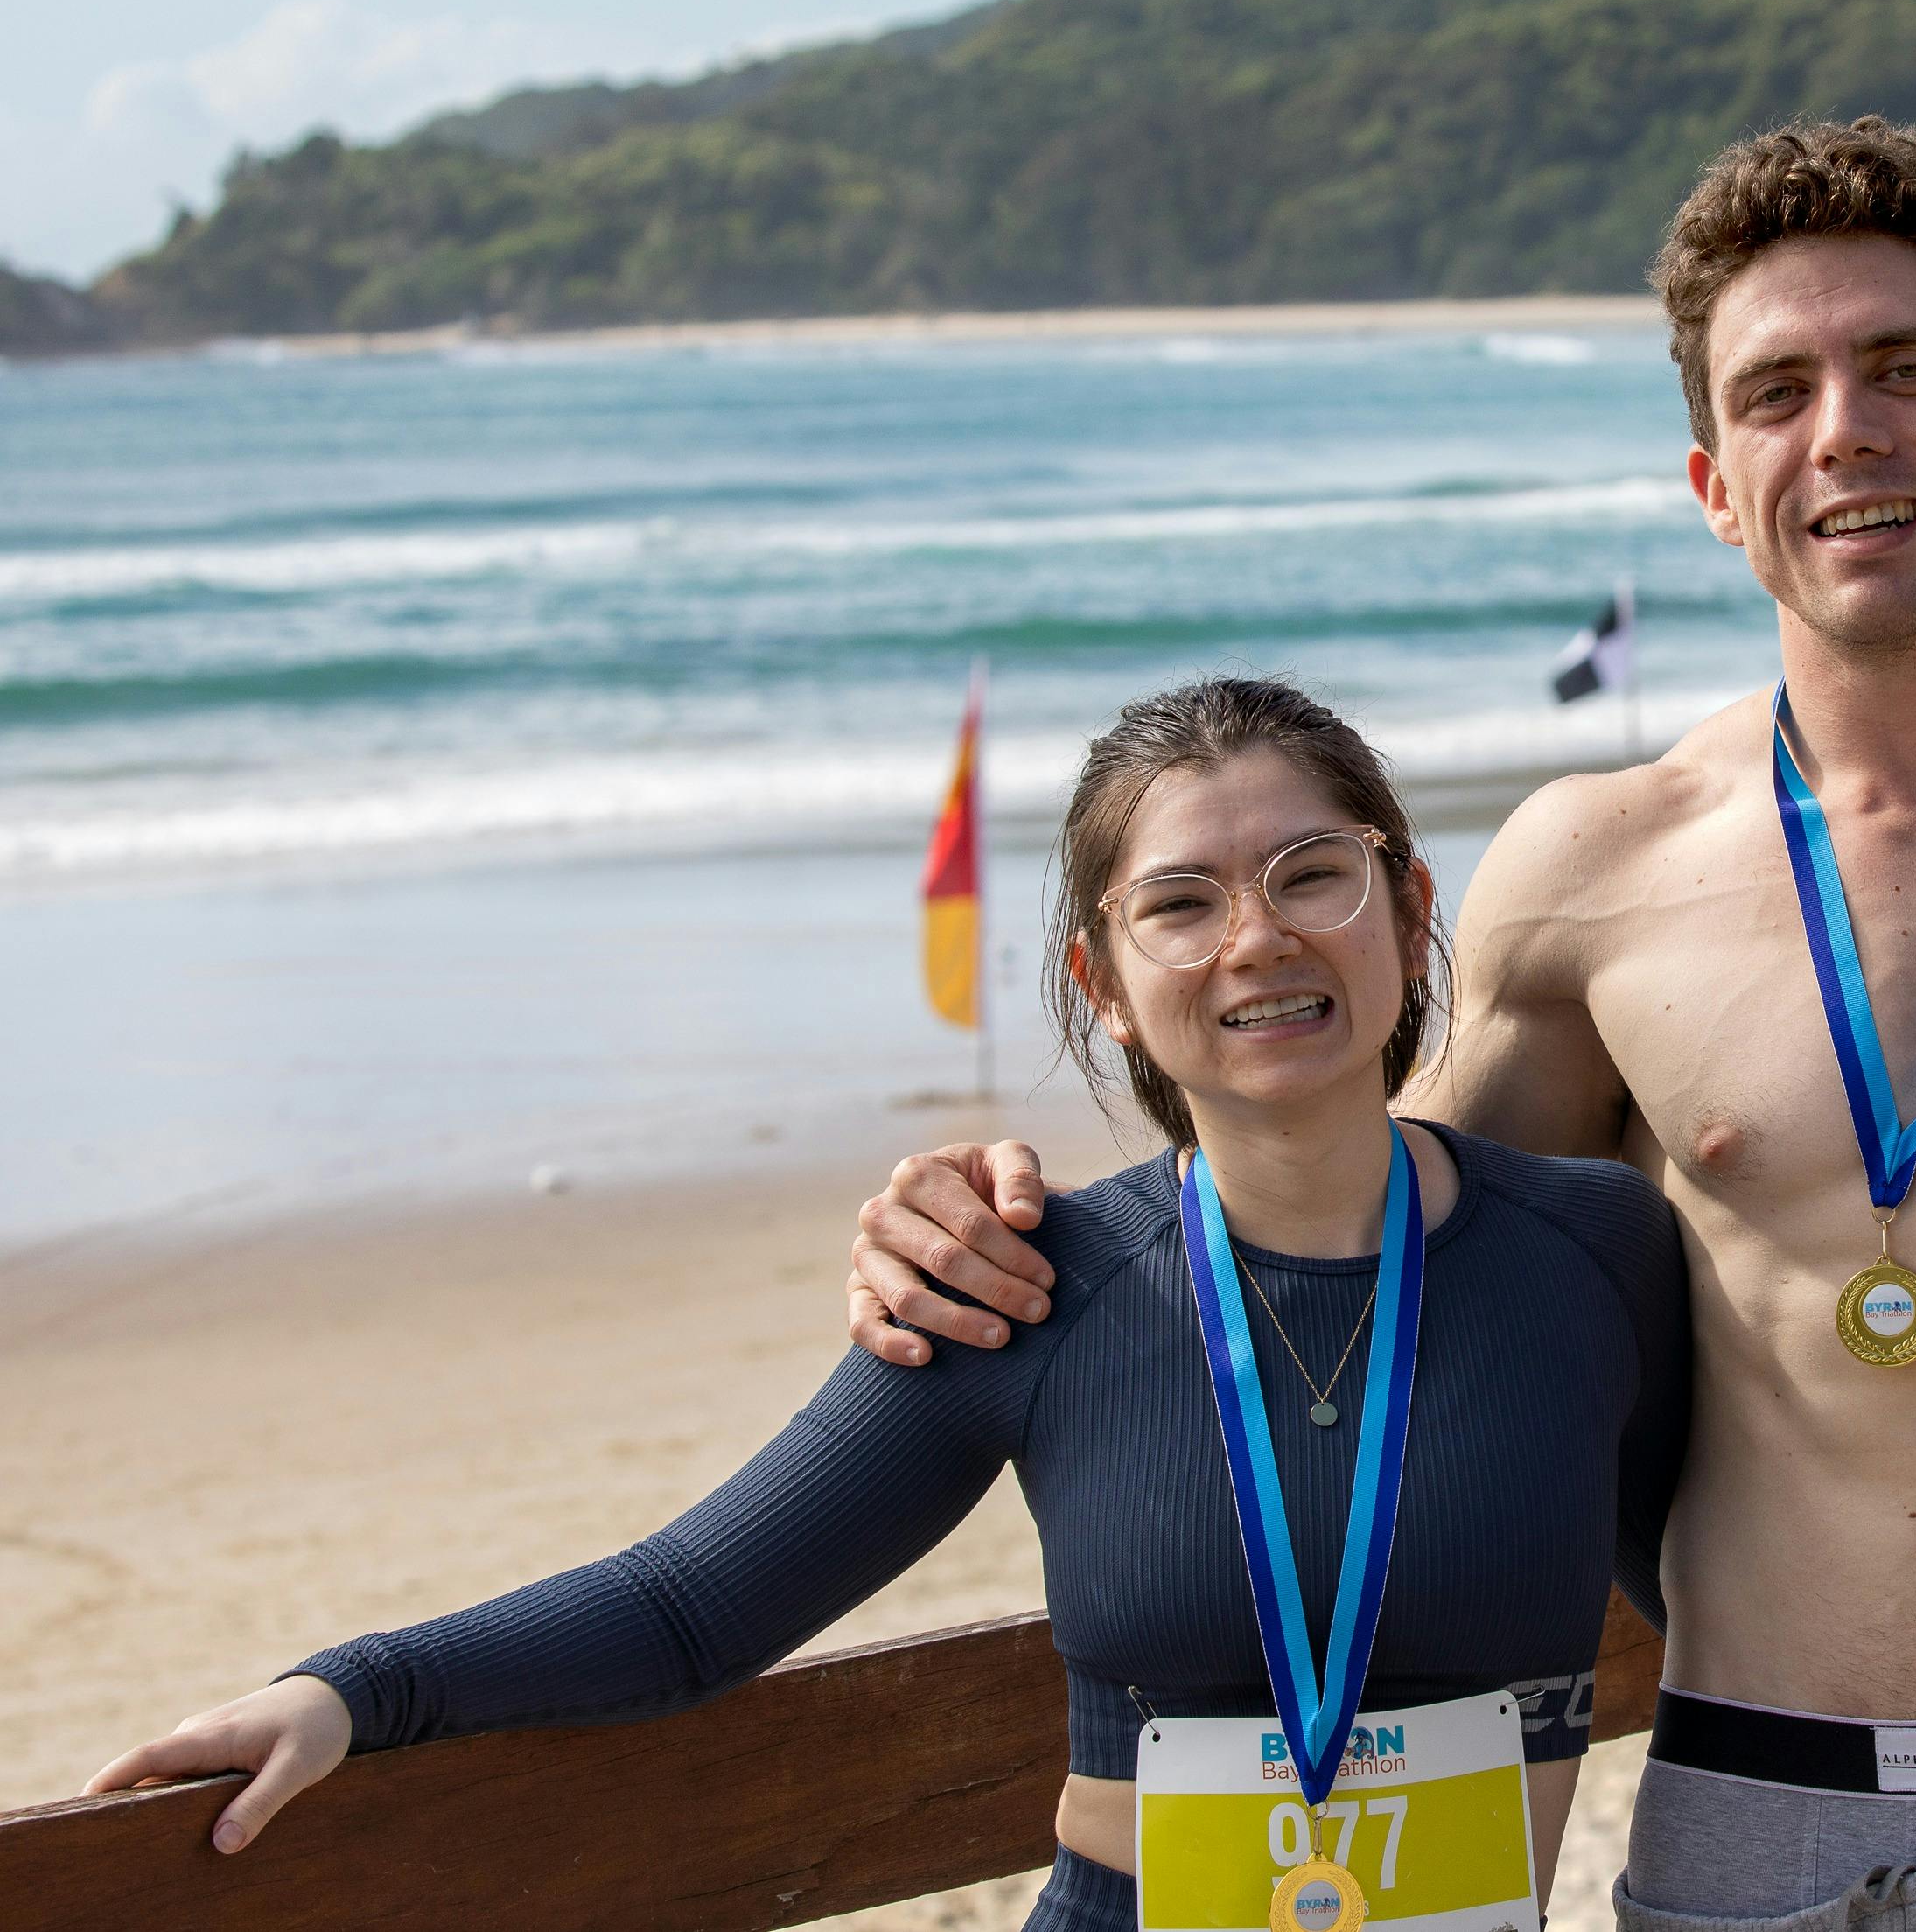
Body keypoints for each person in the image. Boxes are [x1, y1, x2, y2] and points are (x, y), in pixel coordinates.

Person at [853, 118, 1916, 1929]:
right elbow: (1358, 1279)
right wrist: (985, 1233)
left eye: (1905, 367)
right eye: (1777, 392)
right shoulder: (1591, 874)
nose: (1842, 430)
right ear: (1712, 481)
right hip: (1758, 1840)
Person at [87, 678, 1692, 1931]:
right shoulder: (1028, 1281)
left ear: (1409, 909)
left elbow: (1719, 1579)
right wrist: (353, 1689)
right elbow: (694, 1603)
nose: (1257, 937)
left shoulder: (1594, 1249)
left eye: (1312, 873)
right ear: (1103, 983)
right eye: (1181, 902)